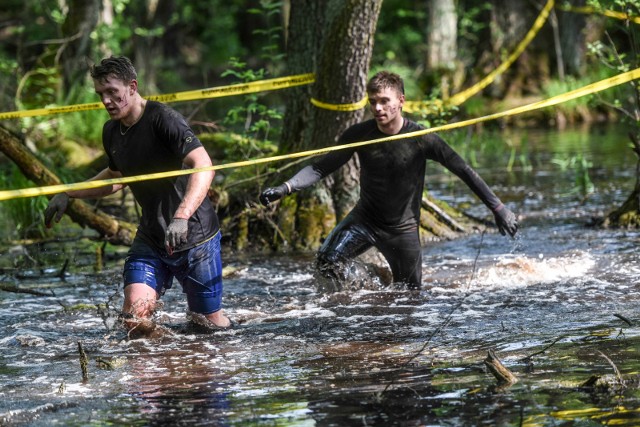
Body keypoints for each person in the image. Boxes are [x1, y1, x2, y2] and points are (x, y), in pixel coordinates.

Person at [259, 71, 518, 289]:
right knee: (326, 262)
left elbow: (463, 170)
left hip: (403, 230)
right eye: (373, 102)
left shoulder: (422, 138)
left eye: (384, 101)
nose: (378, 108)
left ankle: (379, 291)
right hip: (365, 220)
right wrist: (285, 188)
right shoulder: (360, 134)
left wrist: (498, 208)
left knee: (409, 298)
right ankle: (350, 307)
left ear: (401, 101)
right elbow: (320, 168)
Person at [44, 56, 230, 335]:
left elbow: (204, 165)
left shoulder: (163, 119)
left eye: (112, 93)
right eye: (100, 95)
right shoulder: (111, 131)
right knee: (133, 321)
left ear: (132, 86)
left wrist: (181, 216)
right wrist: (68, 193)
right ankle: (156, 368)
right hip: (152, 237)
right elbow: (116, 179)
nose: (106, 101)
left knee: (206, 325)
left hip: (196, 237)